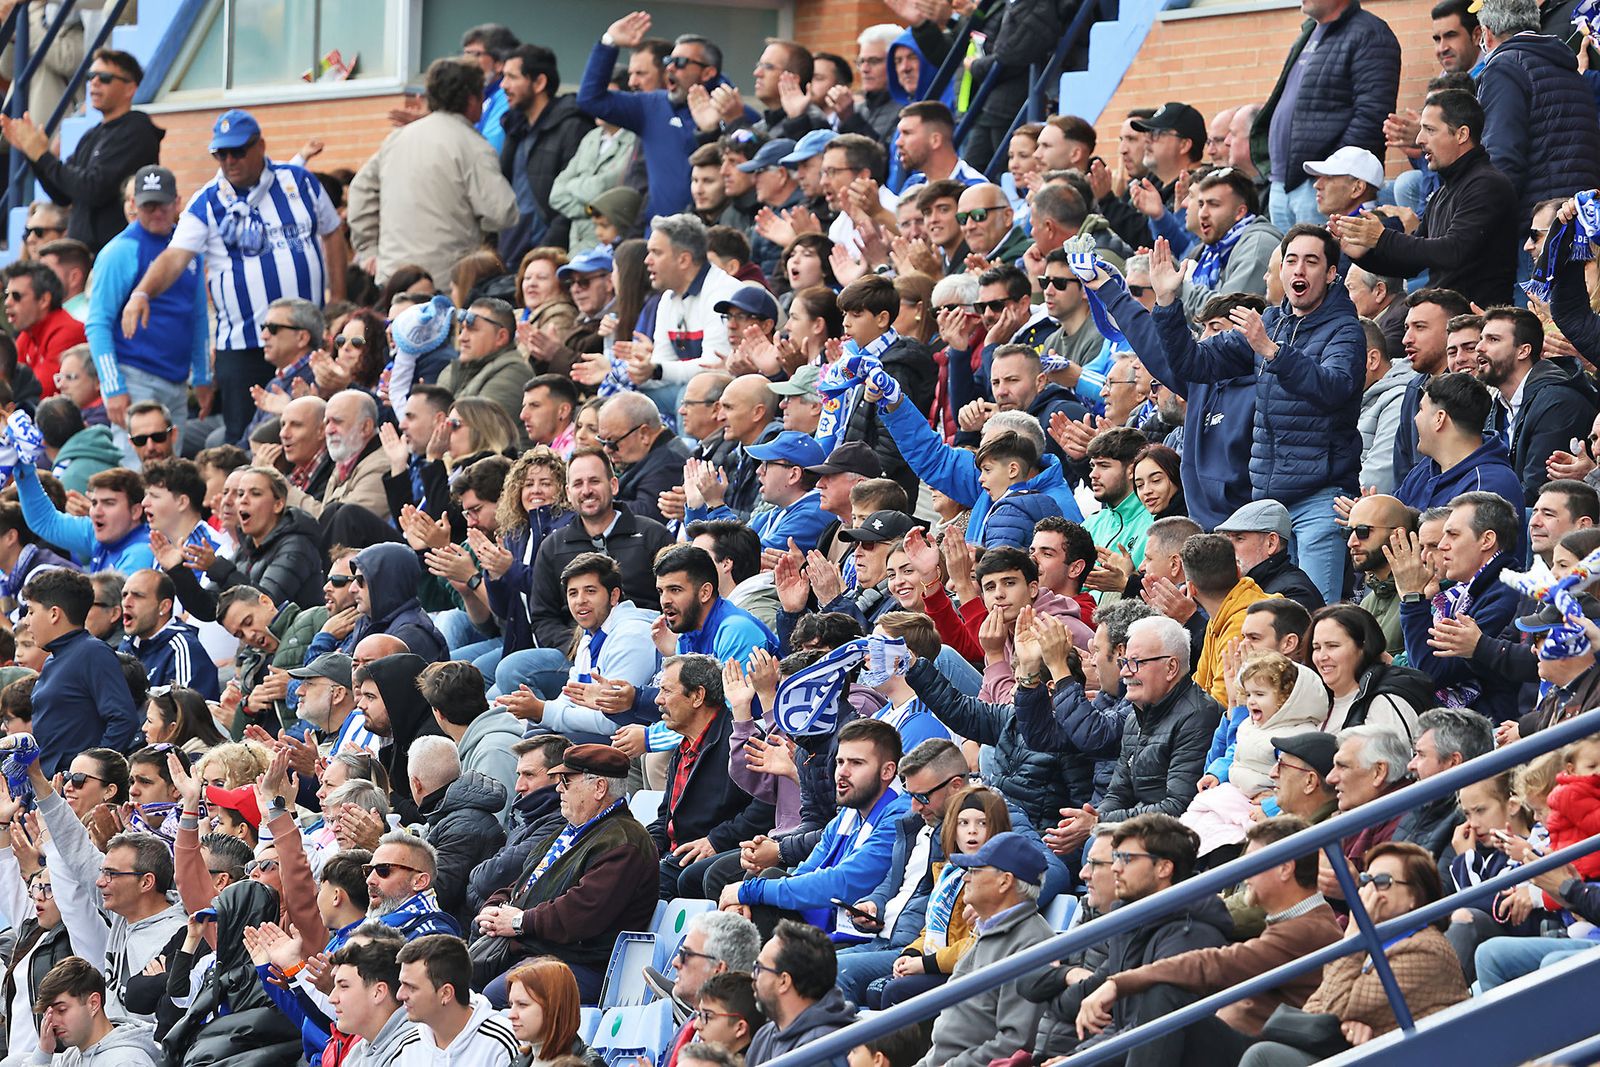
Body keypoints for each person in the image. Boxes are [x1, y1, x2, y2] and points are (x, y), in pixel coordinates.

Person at [1089, 225, 1363, 605]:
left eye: (1312, 261)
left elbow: (1334, 388)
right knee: (1269, 619)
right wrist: (1167, 303)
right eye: (1291, 261)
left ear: (1331, 273)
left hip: (1320, 497)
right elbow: (1191, 363)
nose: (1299, 269)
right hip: (1268, 503)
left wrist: (1272, 351)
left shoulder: (1344, 330)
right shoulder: (1270, 322)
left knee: (1315, 618)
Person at [121, 109, 348, 444]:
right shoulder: (206, 202)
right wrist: (141, 293)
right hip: (242, 346)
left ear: (260, 146)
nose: (229, 160)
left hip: (305, 340)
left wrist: (338, 301)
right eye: (221, 153)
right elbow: (175, 257)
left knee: (312, 432)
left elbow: (332, 232)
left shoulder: (298, 182)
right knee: (248, 440)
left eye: (238, 151)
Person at [1071, 816, 1342, 1066]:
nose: (1244, 877)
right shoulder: (1298, 922)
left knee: (1165, 994)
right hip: (1246, 1043)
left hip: (1267, 1051)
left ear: (1285, 868)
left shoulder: (1309, 928)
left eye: (1253, 865)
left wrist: (1117, 985)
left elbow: (1216, 964)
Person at [1239, 842, 1468, 1065]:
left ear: (1414, 897)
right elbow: (1315, 1008)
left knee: (1263, 1056)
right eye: (1366, 880)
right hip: (1371, 1054)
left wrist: (1353, 933)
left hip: (1410, 1058)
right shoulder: (1375, 943)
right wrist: (1344, 1024)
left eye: (1382, 882)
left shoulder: (1425, 948)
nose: (1369, 891)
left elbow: (1335, 1005)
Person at [1032, 813, 1230, 1064]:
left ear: (1163, 868)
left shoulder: (1191, 934)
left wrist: (1078, 1062)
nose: (1115, 867)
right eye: (1115, 858)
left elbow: (1149, 1031)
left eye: (1126, 858)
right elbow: (1124, 1024)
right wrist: (1073, 1059)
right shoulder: (1133, 926)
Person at [473, 744, 659, 1005]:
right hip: (539, 951)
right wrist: (493, 909)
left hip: (583, 963)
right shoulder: (571, 832)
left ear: (599, 788)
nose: (558, 787)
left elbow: (582, 913)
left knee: (494, 996)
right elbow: (525, 884)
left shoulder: (624, 842)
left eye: (566, 780)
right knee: (454, 978)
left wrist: (520, 922)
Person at [1332, 90, 1518, 308]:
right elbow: (1411, 264)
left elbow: (1453, 251)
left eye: (1429, 130)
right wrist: (1364, 254)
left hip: (1475, 325)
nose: (1420, 139)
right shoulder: (1443, 192)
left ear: (1461, 134)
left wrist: (1381, 238)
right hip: (1443, 319)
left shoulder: (1487, 185)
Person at [720, 719, 910, 928]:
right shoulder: (849, 814)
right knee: (761, 881)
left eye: (856, 763)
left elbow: (842, 883)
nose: (842, 772)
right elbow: (807, 870)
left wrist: (749, 892)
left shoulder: (899, 815)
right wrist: (746, 897)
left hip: (860, 933)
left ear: (887, 771)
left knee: (763, 885)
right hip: (827, 920)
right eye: (840, 762)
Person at [1250, 0, 1400, 231]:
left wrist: (1332, 174)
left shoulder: (1370, 34)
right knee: (1288, 264)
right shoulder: (1310, 32)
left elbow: (1372, 116)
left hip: (1320, 185)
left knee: (1322, 263)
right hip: (1282, 183)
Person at [910, 832, 1053, 1067]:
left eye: (975, 870)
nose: (965, 878)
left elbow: (1016, 1043)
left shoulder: (1032, 944)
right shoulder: (988, 930)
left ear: (1004, 881)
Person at [84, 170, 208, 436]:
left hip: (177, 380)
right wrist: (113, 385)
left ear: (177, 202)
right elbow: (97, 323)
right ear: (133, 205)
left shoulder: (189, 250)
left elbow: (197, 316)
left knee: (170, 471)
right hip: (135, 377)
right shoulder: (120, 251)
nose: (156, 213)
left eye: (162, 204)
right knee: (137, 468)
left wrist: (202, 376)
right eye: (147, 206)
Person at [1, 49, 162, 254]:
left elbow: (94, 189)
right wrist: (35, 156)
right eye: (90, 76)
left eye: (104, 78)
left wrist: (43, 156)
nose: (94, 82)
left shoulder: (137, 129)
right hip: (82, 255)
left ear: (130, 88)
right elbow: (63, 195)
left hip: (115, 253)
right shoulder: (90, 135)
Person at [652, 654, 775, 898]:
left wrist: (716, 841)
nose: (658, 700)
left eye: (666, 691)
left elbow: (768, 805)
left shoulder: (741, 740)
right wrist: (643, 847)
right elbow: (666, 818)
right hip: (673, 858)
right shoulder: (684, 747)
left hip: (703, 861)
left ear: (697, 696)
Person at [1396, 492, 1522, 722]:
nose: (1443, 546)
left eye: (1452, 535)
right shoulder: (1462, 594)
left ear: (1487, 540)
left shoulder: (1506, 593)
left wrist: (1412, 599)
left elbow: (1431, 672)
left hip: (1489, 731)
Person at [1474, 0, 1600, 228]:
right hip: (1581, 221)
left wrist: (1481, 224)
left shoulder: (1503, 69)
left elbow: (1502, 158)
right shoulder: (1569, 69)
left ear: (1487, 34)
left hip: (1534, 228)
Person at [1475, 305, 1598, 505]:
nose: (1479, 347)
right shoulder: (1497, 404)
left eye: (1493, 339)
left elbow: (1536, 491)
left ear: (1523, 351)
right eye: (1481, 338)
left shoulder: (1558, 403)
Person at [20, 569, 139, 775]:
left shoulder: (93, 652)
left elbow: (123, 720)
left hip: (74, 794)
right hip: (49, 787)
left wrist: (89, 776)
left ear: (54, 613)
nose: (25, 621)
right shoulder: (52, 660)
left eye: (31, 611)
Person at [496, 44, 592, 263]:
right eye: (503, 76)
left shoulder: (572, 127)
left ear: (539, 82)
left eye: (512, 77)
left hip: (546, 257)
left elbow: (572, 200)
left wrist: (545, 255)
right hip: (511, 251)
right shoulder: (515, 128)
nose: (503, 85)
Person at [1394, 371, 1521, 511]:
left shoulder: (1489, 485)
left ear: (1439, 419)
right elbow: (1398, 516)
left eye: (1421, 410)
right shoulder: (1424, 470)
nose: (1415, 418)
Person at [744, 920, 856, 1067]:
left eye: (759, 968)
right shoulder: (765, 1035)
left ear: (784, 981)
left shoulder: (821, 1051)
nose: (753, 976)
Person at [395, 934, 519, 1065]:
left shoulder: (502, 1045)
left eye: (411, 987)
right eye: (401, 984)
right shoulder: (408, 1048)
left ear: (446, 993)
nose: (400, 995)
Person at [1309, 604, 1430, 737]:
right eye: (1316, 648)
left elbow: (1393, 757)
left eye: (1333, 646)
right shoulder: (1314, 701)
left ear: (1364, 647)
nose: (1322, 657)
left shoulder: (1386, 702)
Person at [1183, 533, 1276, 707]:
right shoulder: (1217, 618)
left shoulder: (1244, 624)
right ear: (1238, 571)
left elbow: (1219, 704)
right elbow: (1198, 685)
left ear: (1191, 589)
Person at [28, 957, 163, 1067]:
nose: (53, 1022)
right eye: (49, 1013)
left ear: (93, 1004)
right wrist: (43, 1053)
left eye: (61, 1010)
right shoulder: (71, 1057)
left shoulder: (127, 1061)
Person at [117, 568, 219, 700]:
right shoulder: (126, 646)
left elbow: (188, 716)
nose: (126, 603)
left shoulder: (183, 649)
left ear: (164, 607)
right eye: (124, 595)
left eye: (138, 596)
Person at [598, 391, 691, 525]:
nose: (606, 449)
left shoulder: (669, 462)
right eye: (603, 442)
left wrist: (594, 502)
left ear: (644, 434)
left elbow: (647, 514)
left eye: (613, 442)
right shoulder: (649, 454)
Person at [437, 298, 532, 425]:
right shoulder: (456, 367)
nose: (462, 338)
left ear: (501, 337)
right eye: (462, 329)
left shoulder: (514, 372)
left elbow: (475, 430)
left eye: (472, 329)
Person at [327, 937, 420, 1067]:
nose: (331, 998)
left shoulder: (414, 1053)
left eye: (344, 986)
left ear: (378, 992)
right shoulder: (357, 1052)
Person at [1215, 500, 1324, 610]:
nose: (1228, 548)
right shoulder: (1246, 585)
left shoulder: (1293, 593)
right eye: (1227, 539)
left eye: (1239, 539)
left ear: (1271, 543)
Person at [1345, 493, 1417, 653]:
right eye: (1347, 532)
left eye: (1363, 531)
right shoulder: (1365, 605)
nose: (1351, 542)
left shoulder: (1426, 594)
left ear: (1398, 535)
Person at [503, 958, 605, 1067]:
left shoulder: (587, 1064)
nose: (511, 1015)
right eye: (511, 1005)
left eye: (522, 1005)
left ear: (553, 1007)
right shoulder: (521, 1060)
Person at [6, 261, 85, 399]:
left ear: (43, 300)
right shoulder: (29, 332)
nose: (7, 302)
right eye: (7, 295)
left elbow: (38, 392)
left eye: (16, 296)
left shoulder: (68, 332)